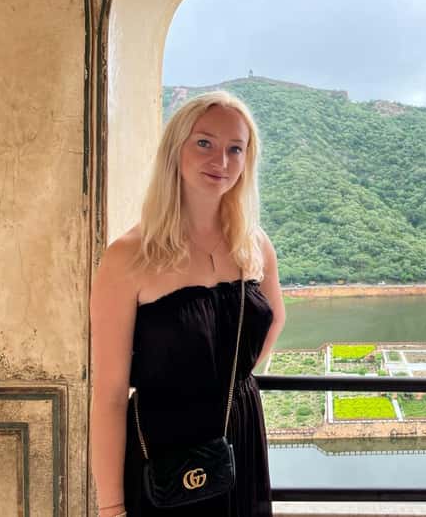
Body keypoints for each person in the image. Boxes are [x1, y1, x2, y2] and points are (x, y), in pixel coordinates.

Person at [90, 91, 286, 517]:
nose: (221, 160)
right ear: (174, 149)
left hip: (239, 435)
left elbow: (275, 319)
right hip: (164, 450)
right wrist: (111, 507)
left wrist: (230, 380)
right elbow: (109, 395)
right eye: (204, 143)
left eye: (235, 148)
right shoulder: (128, 257)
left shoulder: (254, 244)